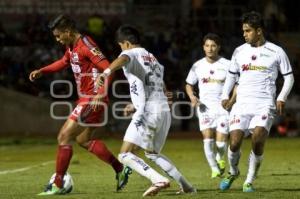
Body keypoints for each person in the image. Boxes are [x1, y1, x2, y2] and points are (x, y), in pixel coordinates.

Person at [28, 14, 131, 195]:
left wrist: (101, 92)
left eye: (59, 36)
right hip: (88, 98)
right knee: (84, 140)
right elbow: (64, 62)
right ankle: (120, 169)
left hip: (93, 98)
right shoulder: (72, 46)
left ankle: (58, 184)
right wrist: (43, 71)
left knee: (64, 136)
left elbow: (109, 68)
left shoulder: (86, 45)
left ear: (68, 32)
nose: (58, 40)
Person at [96, 25, 196, 197]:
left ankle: (158, 180)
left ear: (126, 43)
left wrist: (105, 73)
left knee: (125, 154)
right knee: (152, 154)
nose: (121, 49)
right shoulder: (153, 59)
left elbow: (123, 59)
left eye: (120, 46)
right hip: (162, 110)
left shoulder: (130, 53)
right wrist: (136, 105)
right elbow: (160, 87)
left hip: (149, 111)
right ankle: (187, 186)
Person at [219, 11, 294, 192]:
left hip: (264, 104)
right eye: (243, 31)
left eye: (247, 31)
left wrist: (281, 97)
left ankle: (249, 180)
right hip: (242, 104)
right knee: (235, 142)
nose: (244, 34)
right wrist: (224, 95)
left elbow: (289, 77)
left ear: (259, 31)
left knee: (257, 139)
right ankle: (233, 171)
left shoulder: (276, 51)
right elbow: (231, 76)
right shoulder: (239, 51)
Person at [185, 33, 236, 179]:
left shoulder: (227, 64)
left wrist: (231, 100)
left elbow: (236, 84)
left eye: (213, 45)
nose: (210, 48)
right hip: (204, 108)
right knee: (207, 137)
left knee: (221, 142)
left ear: (218, 47)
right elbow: (189, 84)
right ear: (203, 47)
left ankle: (220, 160)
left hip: (223, 108)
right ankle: (214, 168)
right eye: (207, 45)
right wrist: (192, 96)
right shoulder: (198, 65)